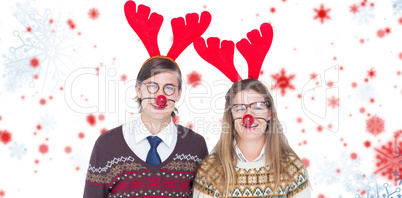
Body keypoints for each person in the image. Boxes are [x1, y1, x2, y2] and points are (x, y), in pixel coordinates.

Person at [83, 1, 211, 197]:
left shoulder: (196, 146)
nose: (160, 97)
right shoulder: (107, 145)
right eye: (152, 86)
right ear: (139, 90)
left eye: (169, 88)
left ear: (178, 93)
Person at [192, 23, 311, 197]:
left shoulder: (291, 168)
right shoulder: (211, 170)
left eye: (257, 106)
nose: (249, 116)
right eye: (240, 108)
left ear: (269, 113)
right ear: (230, 115)